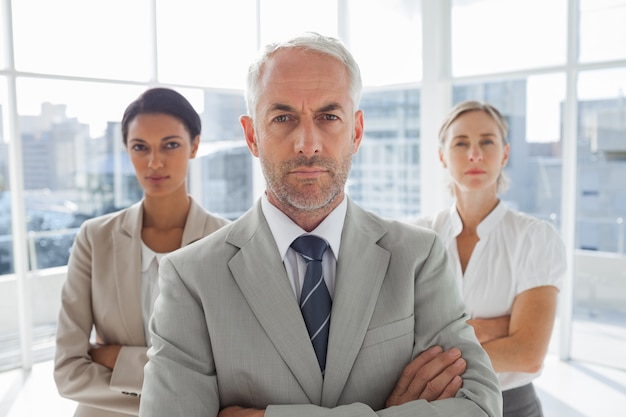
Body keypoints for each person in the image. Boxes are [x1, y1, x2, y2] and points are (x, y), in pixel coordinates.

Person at [139, 33, 501, 417]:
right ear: (251, 135)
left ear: (356, 132)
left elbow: (479, 407)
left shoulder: (418, 257)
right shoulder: (191, 277)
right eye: (283, 118)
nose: (307, 144)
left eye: (328, 117)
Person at [54, 87, 230, 417]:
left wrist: (118, 358)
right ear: (127, 150)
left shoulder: (226, 241)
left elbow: (230, 370)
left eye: (171, 145)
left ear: (194, 145)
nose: (154, 161)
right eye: (140, 147)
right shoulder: (94, 239)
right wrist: (176, 397)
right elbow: (68, 371)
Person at [414, 100, 567, 417]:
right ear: (442, 155)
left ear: (505, 154)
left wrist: (442, 342)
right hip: (435, 405)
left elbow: (528, 354)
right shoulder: (418, 236)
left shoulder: (534, 237)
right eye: (461, 143)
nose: (475, 154)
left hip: (510, 405)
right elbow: (399, 341)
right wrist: (492, 330)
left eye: (487, 141)